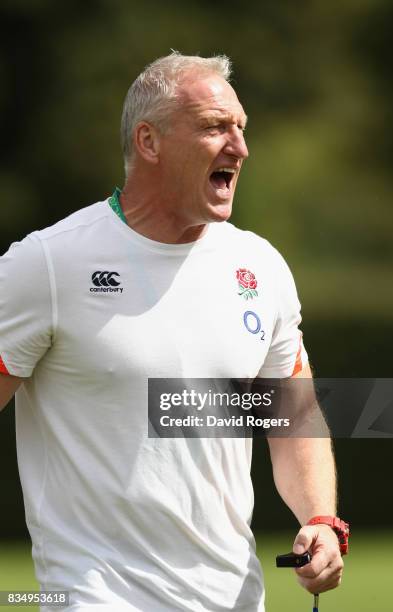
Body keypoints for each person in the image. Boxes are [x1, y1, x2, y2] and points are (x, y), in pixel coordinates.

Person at [0, 52, 347, 611]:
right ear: (149, 142)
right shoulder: (46, 265)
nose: (239, 147)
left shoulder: (260, 266)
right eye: (214, 127)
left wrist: (321, 520)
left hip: (234, 597)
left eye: (241, 128)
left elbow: (294, 415)